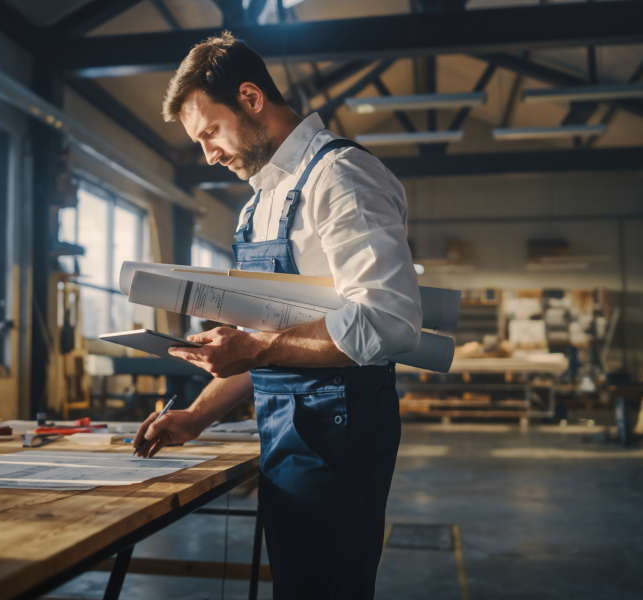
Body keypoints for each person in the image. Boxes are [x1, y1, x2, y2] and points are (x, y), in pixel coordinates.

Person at [132, 32, 423, 599]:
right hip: (283, 431)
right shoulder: (259, 204)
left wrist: (256, 347)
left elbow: (389, 320)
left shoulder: (340, 177)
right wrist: (195, 417)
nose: (208, 154)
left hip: (341, 434)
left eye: (210, 132)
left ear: (251, 97)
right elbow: (269, 343)